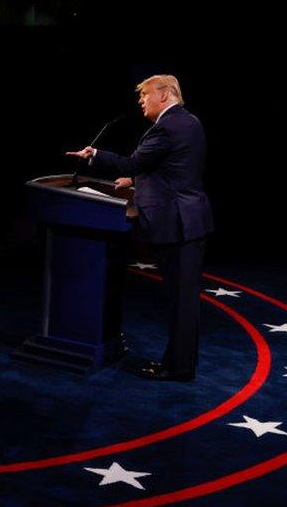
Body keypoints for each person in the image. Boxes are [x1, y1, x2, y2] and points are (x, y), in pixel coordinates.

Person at [67, 74, 213, 382]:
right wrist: (137, 182)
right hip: (189, 219)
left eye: (144, 95)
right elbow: (175, 167)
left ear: (163, 95)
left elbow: (133, 162)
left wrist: (95, 155)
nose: (141, 101)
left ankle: (178, 368)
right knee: (182, 300)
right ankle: (179, 364)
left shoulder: (166, 126)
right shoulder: (190, 122)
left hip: (177, 223)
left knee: (181, 302)